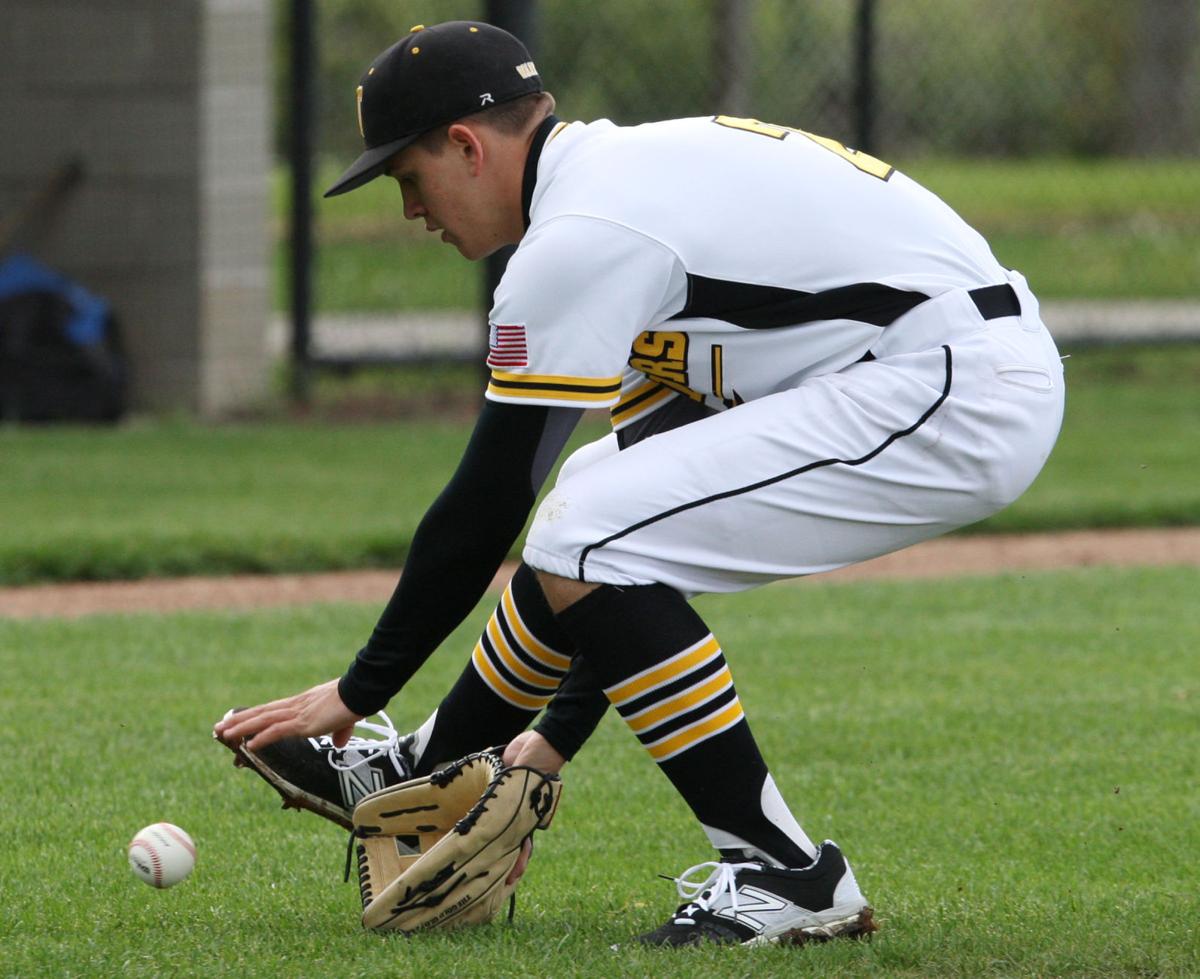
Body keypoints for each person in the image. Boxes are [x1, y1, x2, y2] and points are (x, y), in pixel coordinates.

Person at [214, 20, 1064, 946]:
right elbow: (631, 552)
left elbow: (487, 502)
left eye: (407, 176)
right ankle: (441, 761)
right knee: (598, 494)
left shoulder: (586, 234)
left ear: (465, 145)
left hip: (954, 382)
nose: (412, 208)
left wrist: (358, 689)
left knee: (585, 517)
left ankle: (785, 873)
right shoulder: (624, 190)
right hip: (936, 362)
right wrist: (554, 738)